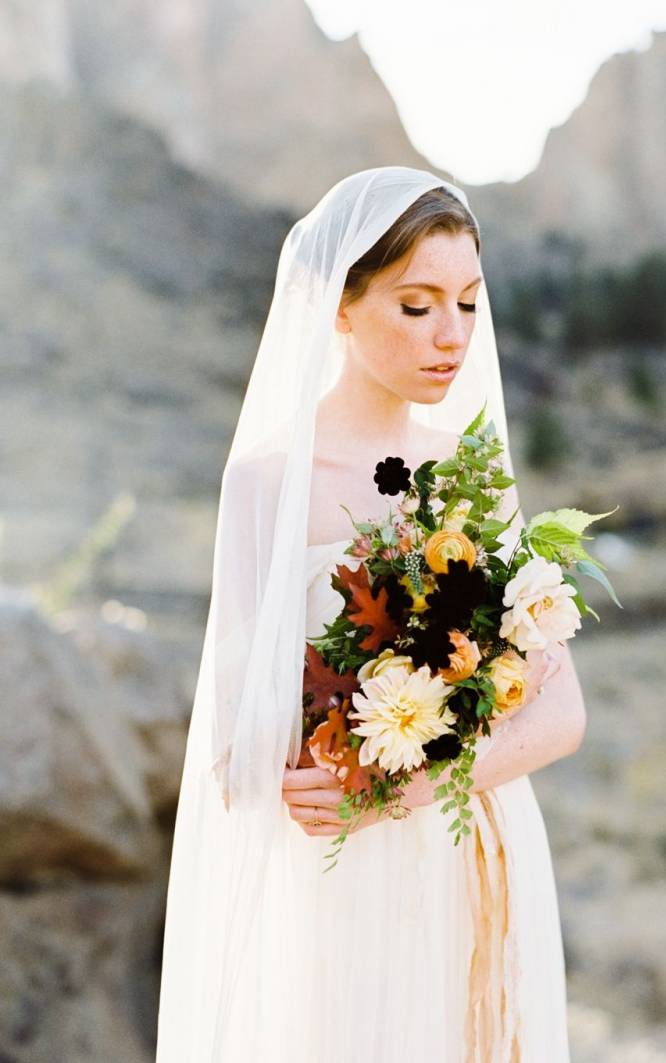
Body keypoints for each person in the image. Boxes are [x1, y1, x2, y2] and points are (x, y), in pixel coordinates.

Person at [156, 166, 586, 1062]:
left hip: (474, 846)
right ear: (340, 309)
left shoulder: (473, 478)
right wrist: (285, 771)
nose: (453, 336)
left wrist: (407, 791)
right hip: (338, 875)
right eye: (418, 304)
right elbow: (236, 735)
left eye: (468, 303)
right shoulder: (269, 481)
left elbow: (562, 714)